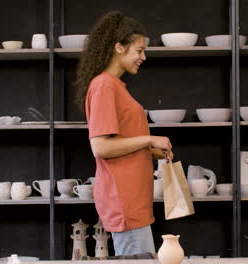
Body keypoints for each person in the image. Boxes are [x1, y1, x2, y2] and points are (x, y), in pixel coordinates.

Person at [75, 11, 173, 256]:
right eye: (139, 50)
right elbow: (101, 147)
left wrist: (150, 151)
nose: (143, 57)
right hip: (124, 201)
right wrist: (149, 139)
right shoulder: (104, 85)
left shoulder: (114, 86)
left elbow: (118, 143)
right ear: (119, 47)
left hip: (133, 200)